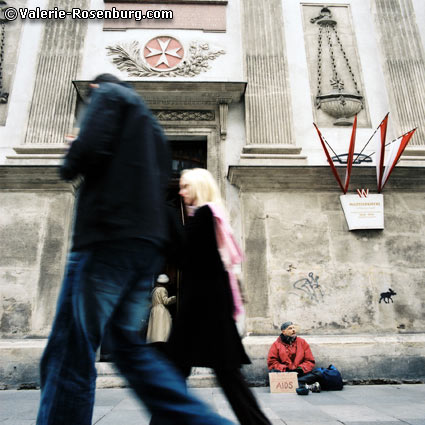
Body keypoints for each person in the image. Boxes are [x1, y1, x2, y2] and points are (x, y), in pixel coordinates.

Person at [36, 74, 235, 425]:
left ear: (96, 88)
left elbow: (84, 156)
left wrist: (72, 152)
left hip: (104, 241)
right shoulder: (154, 131)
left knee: (71, 351)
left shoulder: (107, 95)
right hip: (142, 248)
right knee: (128, 350)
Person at [164, 168, 272, 425]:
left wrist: (166, 214)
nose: (181, 192)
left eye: (186, 186)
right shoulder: (215, 215)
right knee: (225, 377)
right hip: (211, 310)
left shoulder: (203, 215)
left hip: (201, 311)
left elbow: (184, 255)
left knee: (182, 373)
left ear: (199, 187)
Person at [267, 322, 319, 391]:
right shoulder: (276, 344)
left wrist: (300, 369)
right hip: (285, 373)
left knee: (318, 373)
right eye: (290, 328)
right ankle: (304, 386)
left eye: (294, 328)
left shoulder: (302, 342)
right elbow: (272, 362)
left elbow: (310, 361)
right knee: (273, 372)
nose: (293, 330)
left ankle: (295, 385)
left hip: (300, 373)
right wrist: (285, 369)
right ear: (284, 332)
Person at [146, 274, 176, 345]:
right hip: (161, 311)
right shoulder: (162, 289)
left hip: (154, 310)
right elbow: (165, 301)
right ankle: (161, 342)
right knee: (161, 327)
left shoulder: (154, 290)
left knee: (155, 328)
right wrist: (174, 298)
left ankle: (154, 341)